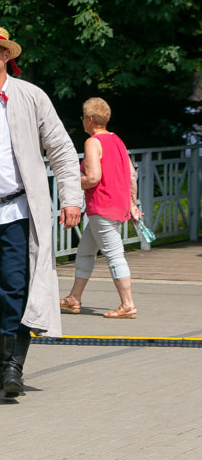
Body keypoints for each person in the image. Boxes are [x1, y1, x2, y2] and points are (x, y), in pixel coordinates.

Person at [0, 25, 82, 397]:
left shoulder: (30, 97)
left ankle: (13, 368)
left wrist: (72, 198)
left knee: (15, 289)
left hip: (19, 210)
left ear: (7, 56)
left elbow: (62, 150)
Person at [60, 98, 140, 319]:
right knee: (86, 250)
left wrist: (70, 181)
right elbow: (132, 175)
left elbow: (93, 177)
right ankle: (74, 298)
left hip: (102, 204)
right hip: (116, 204)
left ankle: (128, 304)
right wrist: (133, 202)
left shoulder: (93, 142)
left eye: (83, 118)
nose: (83, 122)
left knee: (114, 254)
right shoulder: (117, 140)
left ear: (90, 119)